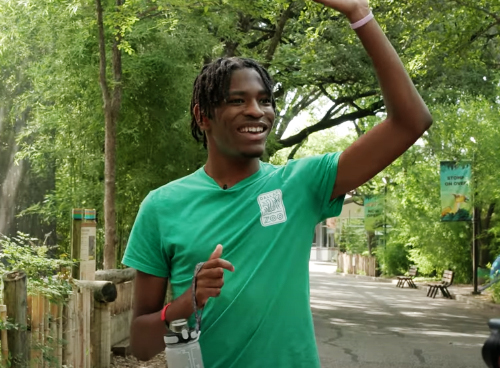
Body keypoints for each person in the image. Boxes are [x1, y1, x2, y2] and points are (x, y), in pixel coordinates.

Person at [122, 0, 432, 366]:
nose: (257, 111)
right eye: (238, 100)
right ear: (202, 116)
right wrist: (186, 302)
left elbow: (410, 122)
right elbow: (141, 344)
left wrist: (359, 14)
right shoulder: (162, 206)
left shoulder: (301, 185)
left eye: (265, 100)